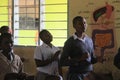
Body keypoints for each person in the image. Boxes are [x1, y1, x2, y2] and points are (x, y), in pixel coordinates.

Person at [60, 16, 103, 80]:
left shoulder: (89, 40)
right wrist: (80, 58)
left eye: (85, 23)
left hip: (89, 74)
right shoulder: (70, 42)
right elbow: (63, 62)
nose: (83, 25)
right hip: (76, 75)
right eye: (80, 24)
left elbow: (91, 60)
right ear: (74, 26)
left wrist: (97, 59)